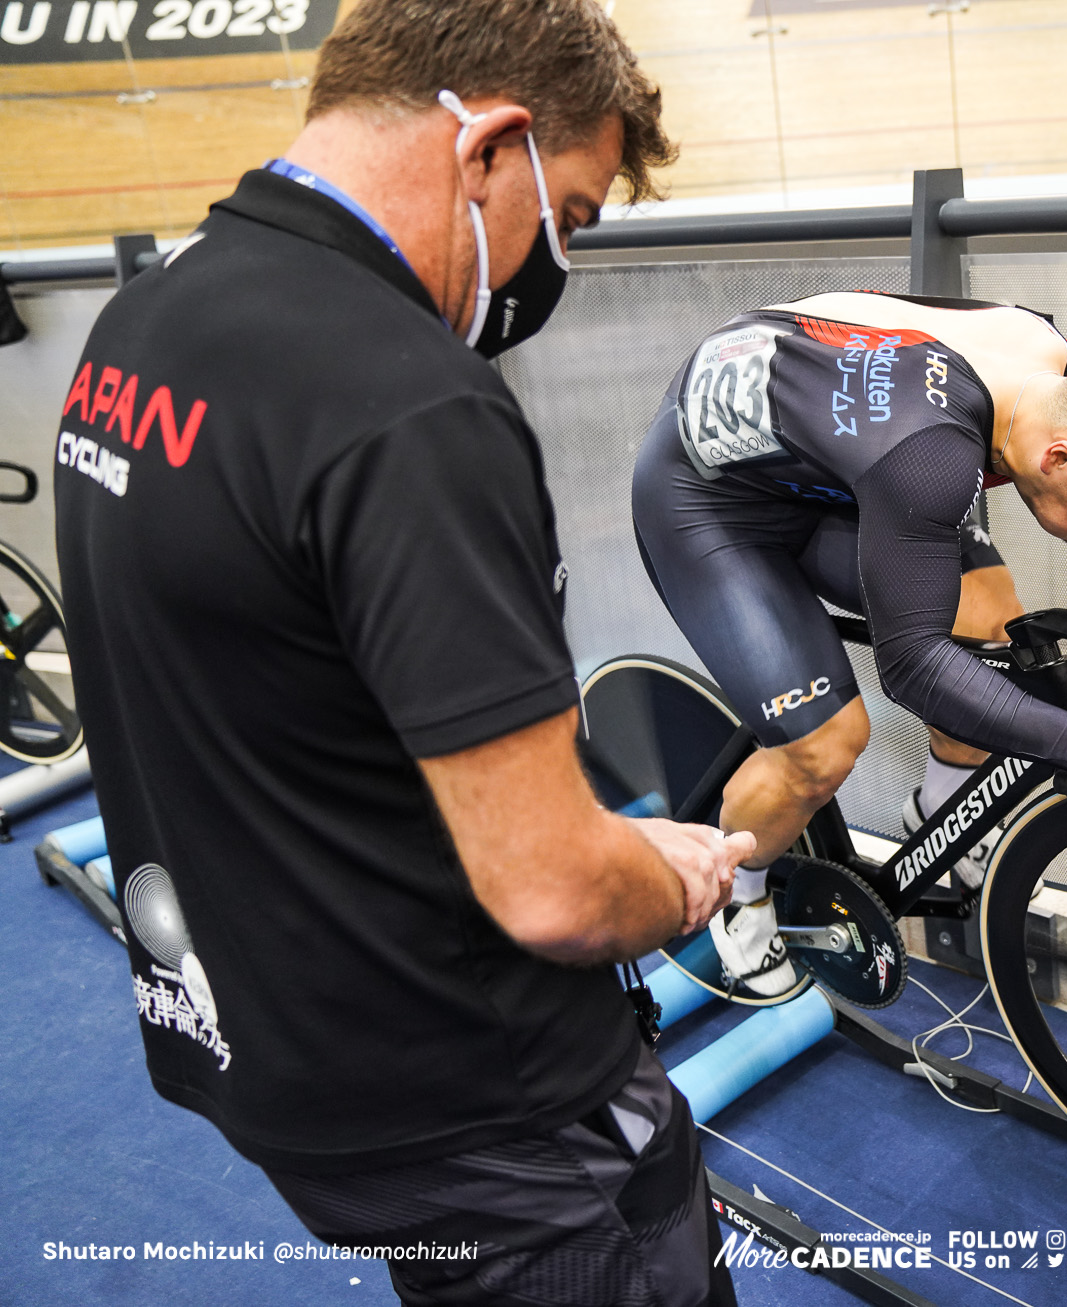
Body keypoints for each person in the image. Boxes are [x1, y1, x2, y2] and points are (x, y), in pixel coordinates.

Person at [53, 3, 750, 1304]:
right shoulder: (409, 401)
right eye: (575, 214)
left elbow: (284, 702)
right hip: (493, 1105)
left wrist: (586, 836)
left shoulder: (142, 323)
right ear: (490, 146)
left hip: (274, 1046)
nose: (561, 259)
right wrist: (667, 882)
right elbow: (556, 896)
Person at [632, 291, 1067, 997]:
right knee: (826, 743)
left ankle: (938, 816)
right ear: (1062, 457)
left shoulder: (1065, 378)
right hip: (708, 505)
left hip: (832, 468)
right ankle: (739, 889)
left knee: (993, 632)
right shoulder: (929, 452)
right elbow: (910, 665)